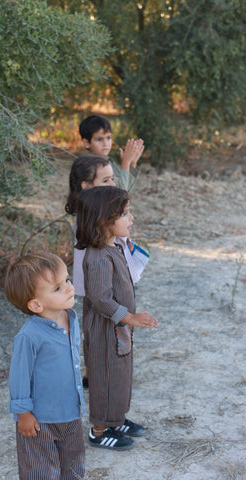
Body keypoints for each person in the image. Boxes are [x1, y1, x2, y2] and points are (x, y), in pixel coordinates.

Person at [5, 252, 88, 480]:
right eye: (58, 287)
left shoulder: (70, 318)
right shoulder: (30, 336)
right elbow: (19, 377)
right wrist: (23, 414)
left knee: (72, 461)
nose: (69, 287)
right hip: (40, 417)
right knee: (40, 468)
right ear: (36, 304)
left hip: (70, 410)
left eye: (67, 280)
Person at [75, 186, 158, 450]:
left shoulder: (113, 248)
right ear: (104, 221)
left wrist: (128, 320)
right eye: (124, 213)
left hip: (118, 329)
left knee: (120, 374)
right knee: (106, 376)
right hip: (105, 330)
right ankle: (99, 430)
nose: (131, 218)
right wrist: (130, 317)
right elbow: (100, 298)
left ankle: (115, 419)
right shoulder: (98, 257)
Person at [65, 154, 149, 388]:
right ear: (86, 187)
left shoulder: (96, 213)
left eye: (113, 179)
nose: (113, 185)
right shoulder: (92, 220)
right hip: (98, 289)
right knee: (100, 335)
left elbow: (116, 199)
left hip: (107, 289)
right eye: (107, 180)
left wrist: (126, 166)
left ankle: (101, 376)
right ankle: (101, 381)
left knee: (106, 334)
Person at [79, 114, 144, 192]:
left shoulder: (108, 161)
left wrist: (132, 164)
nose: (105, 143)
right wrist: (125, 164)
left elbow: (126, 188)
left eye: (108, 138)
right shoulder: (91, 166)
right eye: (99, 139)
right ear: (87, 143)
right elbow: (119, 193)